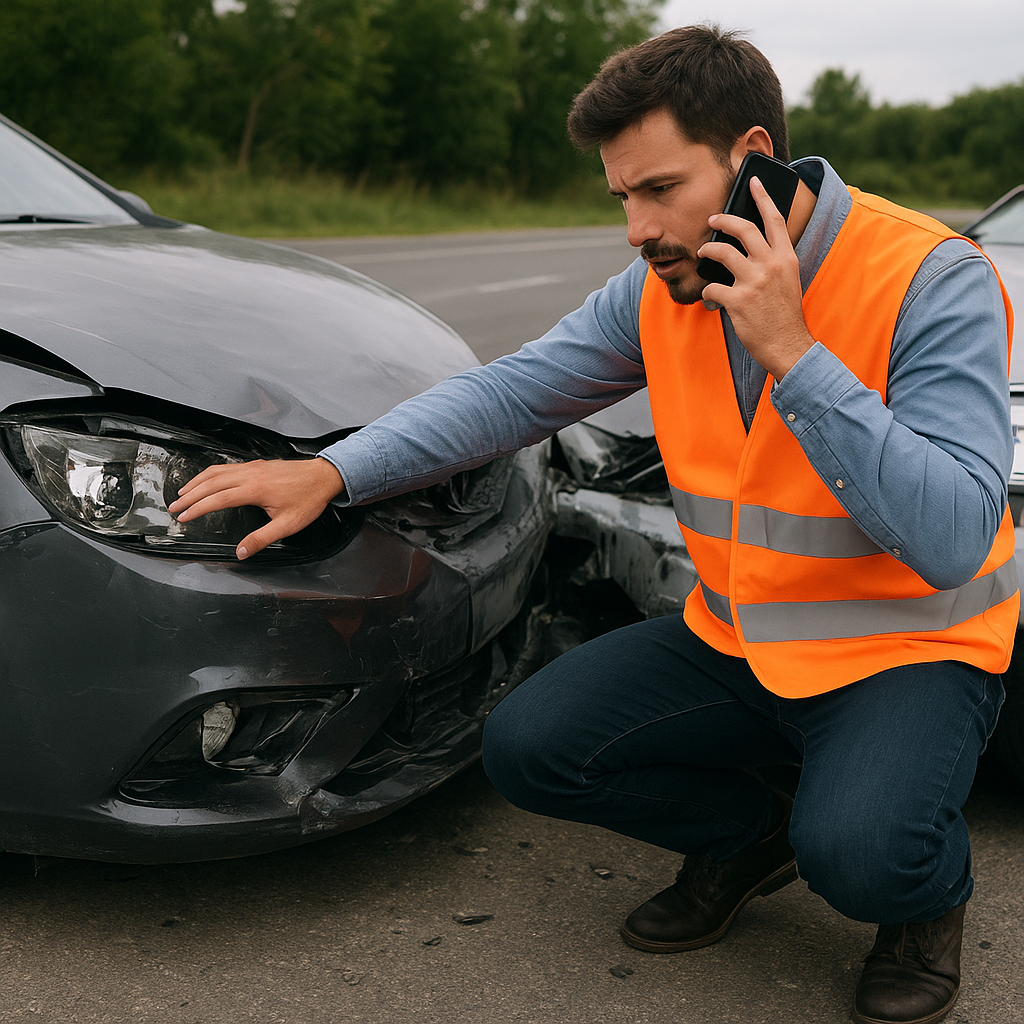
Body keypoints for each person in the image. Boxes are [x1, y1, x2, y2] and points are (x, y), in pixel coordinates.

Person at [168, 25, 1017, 1024]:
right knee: (531, 745)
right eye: (621, 196)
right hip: (738, 636)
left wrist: (795, 353)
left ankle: (924, 898)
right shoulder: (662, 282)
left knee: (865, 857)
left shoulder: (931, 276)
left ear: (748, 160)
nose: (634, 227)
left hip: (903, 648)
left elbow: (958, 531)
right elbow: (516, 391)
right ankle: (751, 835)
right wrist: (333, 469)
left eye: (658, 189)